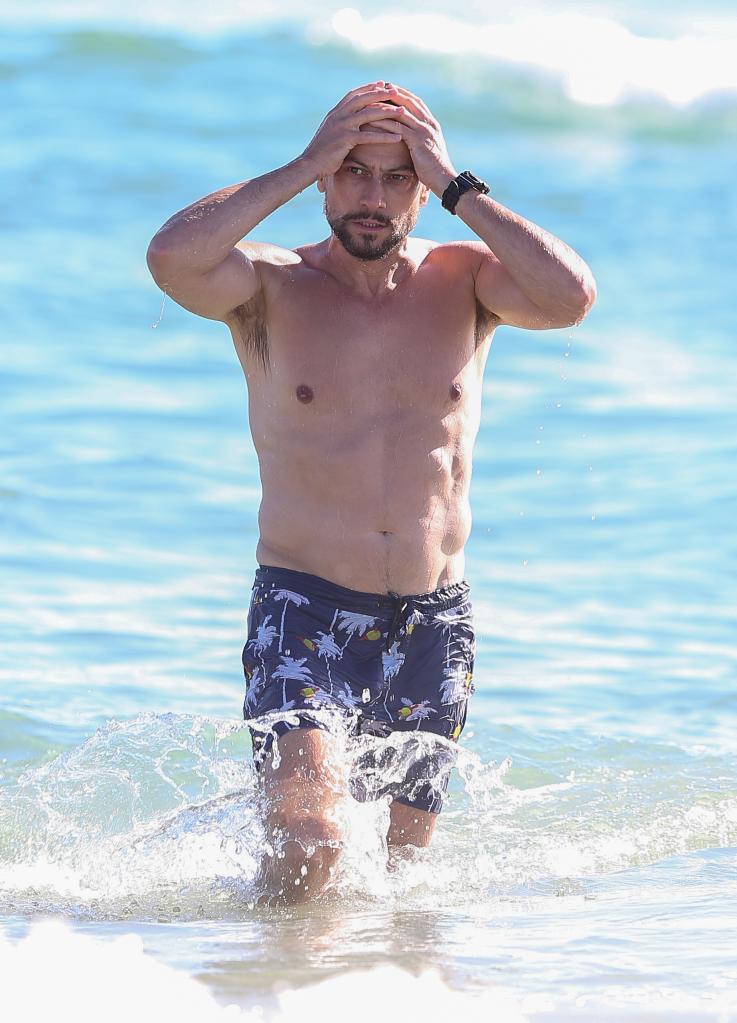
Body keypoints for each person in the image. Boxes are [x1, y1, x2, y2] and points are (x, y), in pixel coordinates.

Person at [146, 80, 596, 903]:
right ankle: (272, 984)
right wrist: (301, 161)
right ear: (324, 179)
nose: (372, 197)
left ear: (424, 188)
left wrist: (459, 184)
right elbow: (171, 258)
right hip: (303, 609)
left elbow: (570, 298)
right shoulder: (270, 287)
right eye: (352, 172)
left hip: (436, 620)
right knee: (312, 843)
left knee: (398, 883)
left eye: (397, 177)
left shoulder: (465, 284)